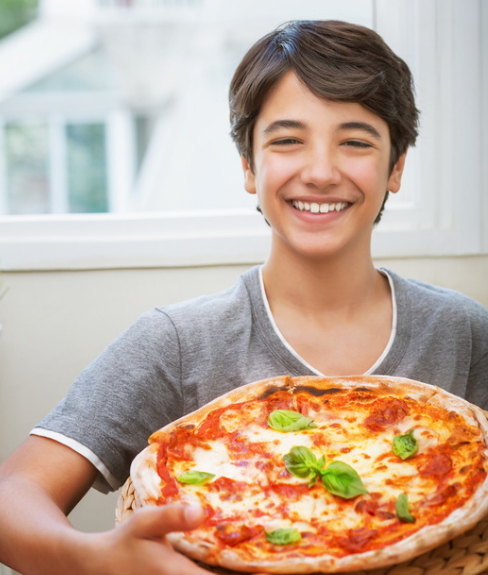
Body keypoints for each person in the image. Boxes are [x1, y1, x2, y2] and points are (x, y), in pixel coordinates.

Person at [0, 19, 487, 575]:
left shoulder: (464, 332)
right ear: (249, 166)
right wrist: (93, 559)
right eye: (287, 140)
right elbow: (13, 493)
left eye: (355, 141)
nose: (321, 172)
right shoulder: (177, 342)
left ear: (396, 166)